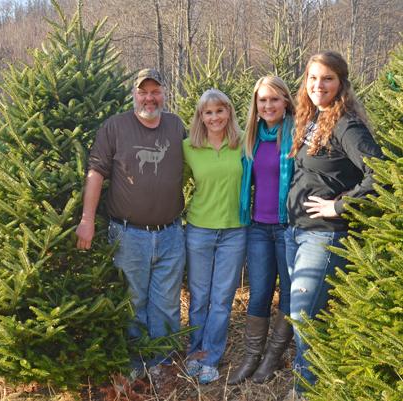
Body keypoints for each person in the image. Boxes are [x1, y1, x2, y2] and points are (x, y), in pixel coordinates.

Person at [284, 51, 382, 401]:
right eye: (312, 77)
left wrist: (339, 205)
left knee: (303, 317)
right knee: (306, 316)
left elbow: (381, 174)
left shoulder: (346, 124)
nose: (318, 85)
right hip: (295, 232)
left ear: (341, 83)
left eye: (327, 78)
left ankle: (304, 391)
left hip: (323, 236)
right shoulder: (314, 118)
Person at [75, 68, 186, 372]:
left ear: (163, 93)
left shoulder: (177, 127)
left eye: (155, 91)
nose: (149, 98)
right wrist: (87, 218)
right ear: (134, 94)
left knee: (166, 303)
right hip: (128, 234)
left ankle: (162, 365)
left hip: (171, 233)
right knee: (133, 302)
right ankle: (136, 367)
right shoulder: (114, 128)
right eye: (143, 92)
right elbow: (96, 172)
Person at [228, 76, 296, 385]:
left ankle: (273, 356)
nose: (267, 105)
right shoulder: (252, 139)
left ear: (285, 101)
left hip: (288, 226)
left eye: (274, 99)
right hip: (258, 227)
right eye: (262, 100)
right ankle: (251, 356)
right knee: (259, 294)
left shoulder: (296, 134)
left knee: (290, 294)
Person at [183, 89, 247, 384]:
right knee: (199, 299)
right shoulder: (189, 148)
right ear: (200, 117)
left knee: (221, 299)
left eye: (219, 111)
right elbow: (170, 183)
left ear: (229, 112)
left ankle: (210, 357)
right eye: (208, 112)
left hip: (235, 231)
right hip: (198, 230)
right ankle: (193, 354)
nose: (214, 117)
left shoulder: (244, 142)